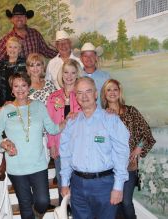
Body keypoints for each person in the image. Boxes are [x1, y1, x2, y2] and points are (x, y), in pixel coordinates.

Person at [0, 73, 66, 219]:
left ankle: (37, 215)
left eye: (23, 85)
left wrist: (66, 120)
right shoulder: (6, 110)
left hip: (38, 165)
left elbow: (52, 129)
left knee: (43, 201)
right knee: (25, 205)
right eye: (16, 86)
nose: (20, 89)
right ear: (12, 90)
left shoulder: (39, 106)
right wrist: (4, 143)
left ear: (29, 87)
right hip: (16, 167)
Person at [60, 77, 130, 219]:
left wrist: (118, 187)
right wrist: (64, 182)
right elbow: (65, 154)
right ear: (75, 96)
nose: (84, 96)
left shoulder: (111, 119)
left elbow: (121, 153)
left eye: (88, 91)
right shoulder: (71, 123)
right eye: (79, 92)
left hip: (104, 185)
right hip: (77, 185)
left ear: (95, 94)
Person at [101, 79, 156, 219]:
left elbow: (146, 133)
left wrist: (139, 148)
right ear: (104, 94)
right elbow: (98, 140)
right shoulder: (101, 116)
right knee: (114, 203)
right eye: (109, 90)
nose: (112, 92)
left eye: (115, 89)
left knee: (125, 202)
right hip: (109, 167)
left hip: (129, 166)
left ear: (120, 92)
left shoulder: (131, 111)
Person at [0, 3, 57, 79]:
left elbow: (46, 51)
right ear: (12, 19)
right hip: (17, 82)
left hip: (34, 78)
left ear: (26, 18)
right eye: (16, 16)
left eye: (22, 16)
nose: (19, 18)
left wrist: (63, 55)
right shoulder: (7, 39)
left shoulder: (35, 34)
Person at [46, 59, 82, 204]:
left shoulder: (82, 94)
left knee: (78, 185)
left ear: (77, 74)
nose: (69, 76)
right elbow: (50, 124)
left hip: (79, 146)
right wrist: (52, 145)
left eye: (73, 73)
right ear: (62, 74)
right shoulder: (53, 97)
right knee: (63, 184)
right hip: (60, 147)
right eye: (66, 72)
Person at [0, 36, 26, 107]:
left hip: (20, 103)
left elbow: (28, 85)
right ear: (6, 49)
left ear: (19, 50)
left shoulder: (25, 64)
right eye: (10, 47)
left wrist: (15, 103)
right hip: (3, 103)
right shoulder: (1, 64)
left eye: (15, 47)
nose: (12, 50)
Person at [80, 42, 110, 107]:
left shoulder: (106, 77)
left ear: (96, 57)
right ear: (81, 58)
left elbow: (111, 98)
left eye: (91, 55)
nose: (88, 58)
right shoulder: (76, 77)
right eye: (85, 56)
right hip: (82, 115)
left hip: (103, 115)